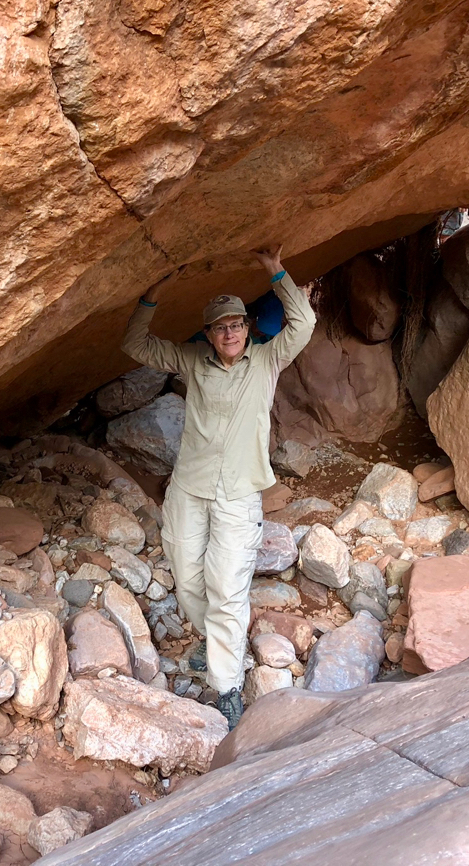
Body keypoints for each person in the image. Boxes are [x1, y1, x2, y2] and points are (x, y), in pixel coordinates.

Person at [121, 245, 315, 729]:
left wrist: (275, 272)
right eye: (220, 327)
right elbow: (136, 344)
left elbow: (303, 323)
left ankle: (226, 685)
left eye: (236, 324)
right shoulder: (193, 361)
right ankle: (214, 639)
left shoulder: (267, 360)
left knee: (227, 588)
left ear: (247, 328)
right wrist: (153, 293)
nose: (229, 333)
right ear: (208, 334)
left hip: (238, 493)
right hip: (189, 487)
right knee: (188, 576)